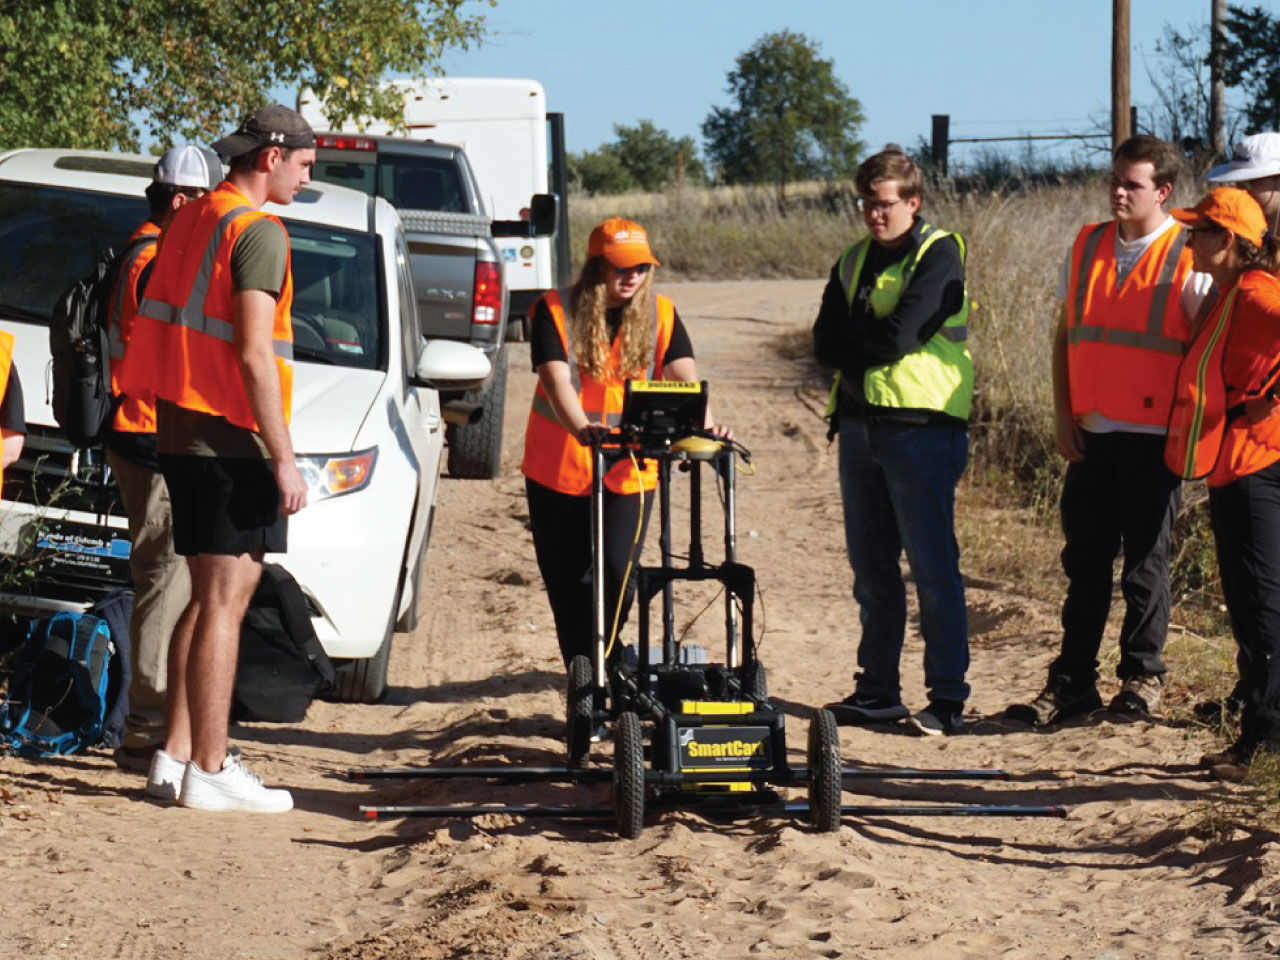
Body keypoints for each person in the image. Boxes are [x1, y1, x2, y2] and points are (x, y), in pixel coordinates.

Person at [117, 105, 315, 812]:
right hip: (233, 436)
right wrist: (284, 458)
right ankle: (211, 765)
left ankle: (171, 757)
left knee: (203, 600)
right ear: (271, 156)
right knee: (227, 604)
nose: (305, 177)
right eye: (303, 165)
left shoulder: (193, 217)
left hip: (178, 430)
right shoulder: (257, 230)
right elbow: (256, 351)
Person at [1006, 135, 1213, 726]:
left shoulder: (1188, 255)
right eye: (1115, 181)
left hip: (1156, 440)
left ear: (1164, 191)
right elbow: (1065, 338)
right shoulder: (1088, 243)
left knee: (1146, 566)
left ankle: (1141, 679)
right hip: (1092, 432)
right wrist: (1064, 415)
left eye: (1133, 184)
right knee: (1086, 564)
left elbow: (1203, 357)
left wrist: (1194, 437)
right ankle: (1072, 682)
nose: (1119, 192)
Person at [522, 218, 727, 680]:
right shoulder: (554, 310)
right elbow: (555, 379)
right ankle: (588, 680)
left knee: (618, 573)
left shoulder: (661, 314)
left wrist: (708, 426)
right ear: (596, 267)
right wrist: (581, 427)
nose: (631, 276)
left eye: (639, 267)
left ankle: (606, 664)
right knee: (570, 583)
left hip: (631, 466)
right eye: (620, 268)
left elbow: (683, 376)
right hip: (560, 465)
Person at [813, 149, 973, 737]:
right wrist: (869, 341)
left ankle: (947, 698)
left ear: (913, 201)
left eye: (885, 205)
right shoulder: (853, 260)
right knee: (871, 570)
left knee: (932, 569)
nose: (874, 215)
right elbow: (823, 344)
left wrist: (863, 340)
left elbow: (905, 335)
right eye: (866, 204)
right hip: (859, 426)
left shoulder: (939, 253)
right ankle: (877, 690)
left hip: (922, 429)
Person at [106, 145, 222, 772]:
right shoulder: (154, 262)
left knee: (164, 579)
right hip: (149, 436)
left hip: (140, 434)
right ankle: (147, 731)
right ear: (180, 201)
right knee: (166, 583)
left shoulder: (136, 250)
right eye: (202, 207)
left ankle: (153, 725)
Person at [1163, 188, 1280, 781]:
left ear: (1228, 241)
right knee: (1250, 605)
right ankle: (1256, 741)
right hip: (1236, 465)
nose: (1189, 240)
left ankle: (1266, 747)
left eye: (1198, 231)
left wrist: (1274, 396)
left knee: (1262, 608)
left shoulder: (1258, 295)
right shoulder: (1231, 294)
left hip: (1259, 466)